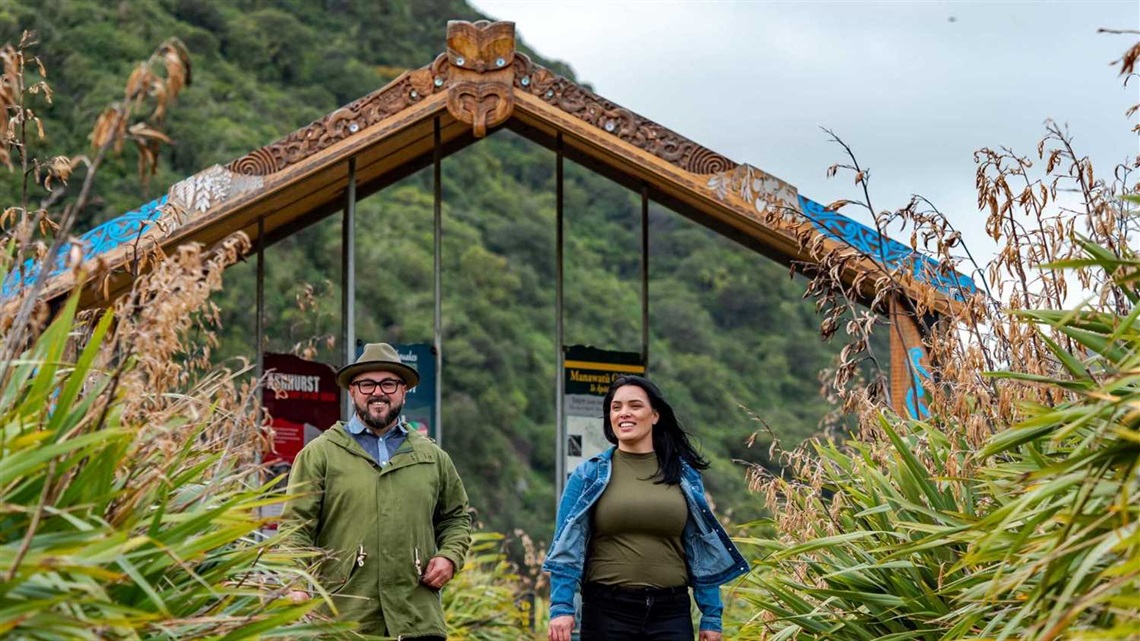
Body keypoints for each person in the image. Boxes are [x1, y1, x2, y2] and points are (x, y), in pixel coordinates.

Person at [281, 342, 472, 640]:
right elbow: (295, 527)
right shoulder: (320, 454)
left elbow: (456, 519)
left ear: (404, 391)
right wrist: (295, 584)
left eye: (389, 384)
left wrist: (450, 556)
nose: (378, 392)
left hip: (417, 620)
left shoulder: (433, 457)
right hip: (344, 620)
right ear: (353, 391)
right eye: (367, 384)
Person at [544, 375, 749, 641]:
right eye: (616, 407)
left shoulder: (683, 475)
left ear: (655, 415)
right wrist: (561, 607)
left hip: (671, 612)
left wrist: (711, 615)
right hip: (607, 610)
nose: (624, 413)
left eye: (635, 406)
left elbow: (701, 547)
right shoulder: (588, 475)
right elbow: (565, 545)